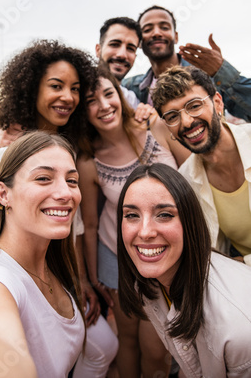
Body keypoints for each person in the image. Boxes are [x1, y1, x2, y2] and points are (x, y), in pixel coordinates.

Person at [0, 40, 118, 377]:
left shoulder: (68, 148)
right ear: (32, 89)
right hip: (20, 272)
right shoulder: (9, 154)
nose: (68, 97)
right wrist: (17, 266)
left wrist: (80, 282)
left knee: (102, 345)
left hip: (56, 275)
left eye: (75, 89)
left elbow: (71, 229)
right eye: (56, 86)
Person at [76, 64, 189, 378]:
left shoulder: (156, 126)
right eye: (90, 101)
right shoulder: (89, 161)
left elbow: (194, 178)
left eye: (108, 94)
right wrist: (95, 278)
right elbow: (90, 225)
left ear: (120, 95)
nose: (104, 105)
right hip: (118, 258)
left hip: (170, 252)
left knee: (158, 348)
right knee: (128, 340)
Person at [0, 132, 85, 378]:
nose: (65, 193)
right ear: (4, 194)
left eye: (72, 180)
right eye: (44, 178)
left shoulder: (52, 263)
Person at [117, 163, 251, 378]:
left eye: (164, 215)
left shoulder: (240, 330)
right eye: (132, 215)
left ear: (190, 223)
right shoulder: (152, 282)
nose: (144, 232)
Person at [151, 65, 251, 266]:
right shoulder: (186, 181)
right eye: (172, 116)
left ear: (217, 102)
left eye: (194, 105)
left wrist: (243, 262)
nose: (186, 122)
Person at [122, 5, 251, 123]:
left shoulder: (208, 76)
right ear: (139, 41)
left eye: (164, 27)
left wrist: (222, 72)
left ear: (176, 36)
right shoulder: (130, 87)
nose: (156, 33)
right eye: (148, 29)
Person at [95, 16, 141, 110]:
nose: (122, 55)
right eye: (114, 44)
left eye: (130, 48)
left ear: (135, 57)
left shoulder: (132, 101)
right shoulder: (77, 90)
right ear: (98, 50)